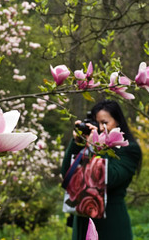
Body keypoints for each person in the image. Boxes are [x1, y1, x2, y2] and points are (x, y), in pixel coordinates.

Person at [61, 99, 142, 240]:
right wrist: (77, 143)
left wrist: (95, 147)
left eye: (105, 123)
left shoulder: (129, 149)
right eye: (95, 122)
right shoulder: (86, 145)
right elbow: (67, 173)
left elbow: (110, 178)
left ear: (118, 122)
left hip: (110, 224)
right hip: (82, 220)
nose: (99, 127)